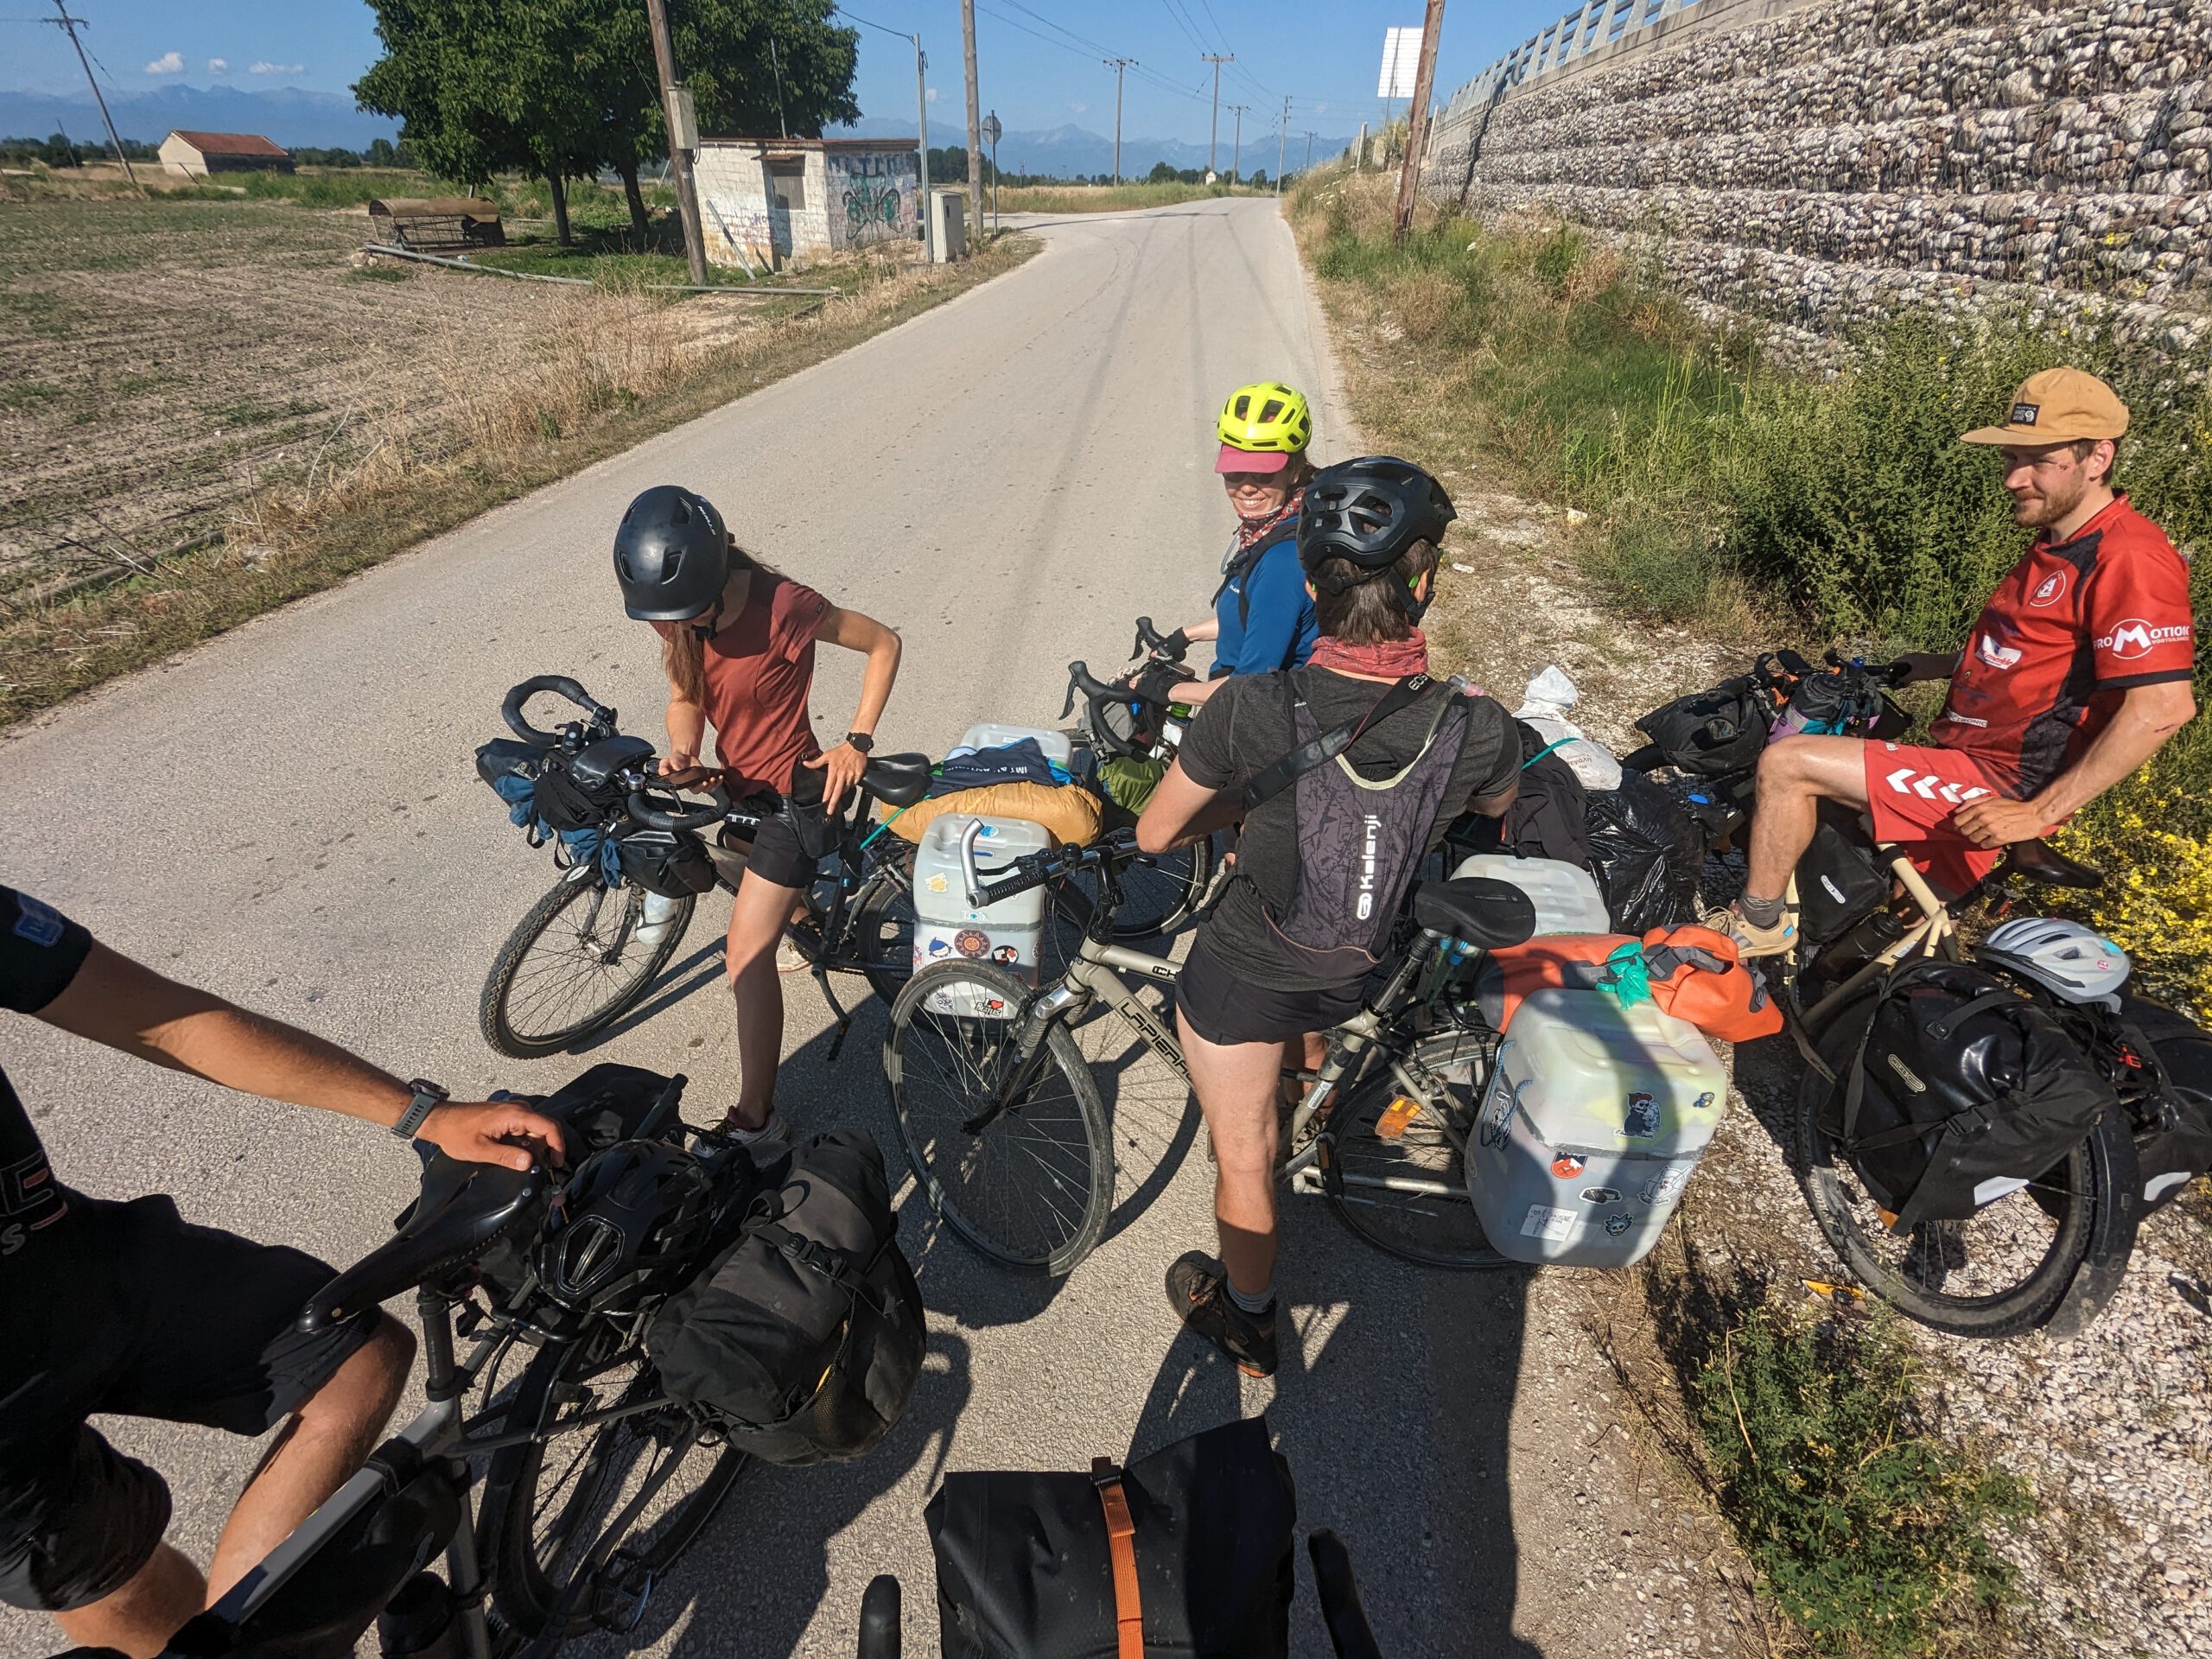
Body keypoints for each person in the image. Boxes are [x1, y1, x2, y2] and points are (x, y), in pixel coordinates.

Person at [1, 885, 565, 1658]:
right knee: (105, 1571)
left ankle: (250, 1639)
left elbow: (167, 1023)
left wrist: (421, 1115)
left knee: (350, 1356)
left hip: (75, 1264)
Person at [1135, 458, 1521, 1376]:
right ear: (1423, 581)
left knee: (1242, 1153)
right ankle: (1308, 1092)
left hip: (1244, 974)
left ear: (1310, 583)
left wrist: (1239, 808)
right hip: (1361, 959)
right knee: (1310, 1014)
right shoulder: (1479, 724)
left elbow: (1154, 835)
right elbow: (1490, 809)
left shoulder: (1248, 707)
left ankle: (1251, 1317)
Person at [1726, 367, 2197, 956]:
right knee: (1888, 925)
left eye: (2037, 461)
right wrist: (1942, 663)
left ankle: (1757, 926)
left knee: (1788, 764)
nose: (2012, 479)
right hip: (1962, 755)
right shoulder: (2060, 538)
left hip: (2002, 781)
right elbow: (2042, 651)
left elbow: (2162, 707)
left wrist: (2037, 814)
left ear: (2098, 457)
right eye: (2007, 459)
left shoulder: (2130, 558)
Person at [613, 484, 902, 1141]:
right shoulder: (678, 609)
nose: (678, 625)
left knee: (744, 953)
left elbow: (884, 643)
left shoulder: (785, 607)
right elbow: (686, 692)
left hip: (795, 795)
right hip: (734, 785)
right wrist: (683, 745)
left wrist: (856, 740)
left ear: (716, 571)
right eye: (669, 617)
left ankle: (757, 1118)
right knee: (739, 867)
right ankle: (807, 922)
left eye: (686, 613)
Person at [1150, 382, 1322, 708]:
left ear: (1295, 469)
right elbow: (1259, 615)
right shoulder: (1275, 526)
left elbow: (1249, 686)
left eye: (1263, 475)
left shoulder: (1284, 561)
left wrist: (1165, 690)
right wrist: (1187, 634)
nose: (1246, 488)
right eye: (1234, 473)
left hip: (1260, 715)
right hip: (1235, 695)